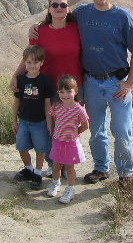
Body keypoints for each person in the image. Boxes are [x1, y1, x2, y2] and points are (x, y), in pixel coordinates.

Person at [30, 0, 133, 185]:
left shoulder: (123, 17)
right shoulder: (82, 13)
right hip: (90, 82)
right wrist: (36, 26)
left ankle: (126, 173)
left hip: (117, 83)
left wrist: (129, 83)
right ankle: (101, 167)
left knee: (121, 130)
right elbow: (59, 19)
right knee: (96, 130)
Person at [10, 0, 83, 177]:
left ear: (68, 9)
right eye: (55, 5)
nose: (59, 8)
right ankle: (53, 165)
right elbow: (29, 57)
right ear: (49, 9)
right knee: (51, 128)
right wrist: (16, 76)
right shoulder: (39, 32)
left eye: (63, 5)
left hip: (73, 88)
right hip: (48, 87)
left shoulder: (77, 28)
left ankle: (67, 165)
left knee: (69, 128)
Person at [12, 45, 53, 190]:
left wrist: (49, 122)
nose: (32, 65)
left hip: (39, 122)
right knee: (21, 147)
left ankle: (37, 173)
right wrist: (14, 121)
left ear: (41, 63)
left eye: (35, 62)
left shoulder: (45, 81)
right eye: (28, 62)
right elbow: (17, 100)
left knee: (40, 149)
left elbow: (47, 104)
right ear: (24, 63)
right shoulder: (21, 80)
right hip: (23, 121)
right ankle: (28, 169)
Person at [46, 75, 89, 204]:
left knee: (70, 168)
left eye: (68, 91)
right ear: (58, 92)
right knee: (55, 166)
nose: (65, 95)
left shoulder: (79, 109)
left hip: (71, 143)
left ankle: (70, 189)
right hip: (57, 141)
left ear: (75, 91)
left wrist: (75, 133)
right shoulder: (56, 106)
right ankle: (55, 183)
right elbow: (54, 118)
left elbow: (86, 125)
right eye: (61, 92)